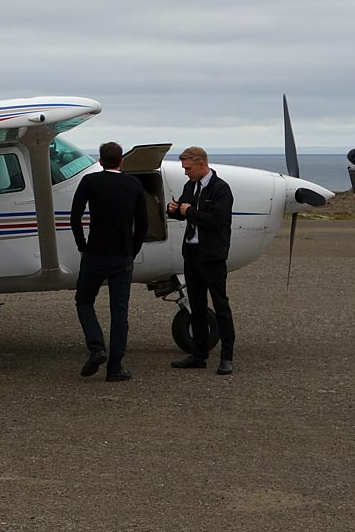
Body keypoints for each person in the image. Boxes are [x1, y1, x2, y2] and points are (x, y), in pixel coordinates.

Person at [70, 141, 148, 381]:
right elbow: (143, 225)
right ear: (121, 160)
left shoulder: (90, 182)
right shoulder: (134, 184)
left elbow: (75, 217)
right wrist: (131, 251)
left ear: (100, 161)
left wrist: (82, 246)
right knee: (119, 312)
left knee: (84, 300)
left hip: (95, 254)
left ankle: (96, 348)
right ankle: (115, 368)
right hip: (122, 257)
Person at [166, 146, 235, 374]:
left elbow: (217, 220)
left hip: (212, 256)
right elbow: (185, 211)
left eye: (188, 168)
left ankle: (226, 357)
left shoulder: (220, 189)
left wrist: (189, 212)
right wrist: (174, 210)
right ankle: (199, 353)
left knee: (220, 305)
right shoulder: (190, 186)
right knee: (196, 306)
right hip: (192, 253)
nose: (185, 172)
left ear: (202, 164)